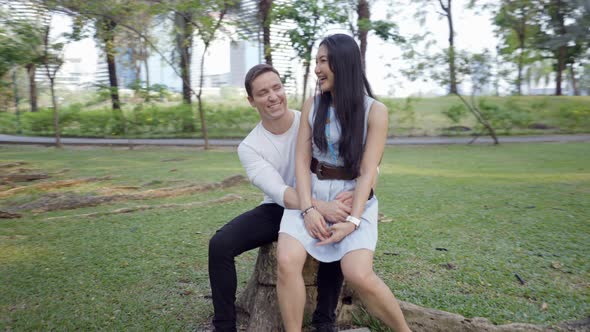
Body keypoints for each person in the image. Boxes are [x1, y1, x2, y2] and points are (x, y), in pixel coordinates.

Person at [276, 34, 412, 332]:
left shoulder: (376, 111)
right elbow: (301, 160)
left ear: (344, 63)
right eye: (316, 61)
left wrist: (353, 220)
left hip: (354, 199)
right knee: (286, 260)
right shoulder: (313, 104)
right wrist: (309, 208)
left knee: (358, 273)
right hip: (311, 192)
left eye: (323, 61)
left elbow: (367, 170)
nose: (317, 69)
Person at [208, 64, 355, 332]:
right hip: (279, 207)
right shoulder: (250, 147)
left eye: (277, 88)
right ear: (252, 101)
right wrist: (318, 207)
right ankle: (225, 326)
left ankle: (324, 321)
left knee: (333, 236)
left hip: (323, 197)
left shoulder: (309, 120)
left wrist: (332, 205)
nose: (273, 96)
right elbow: (279, 192)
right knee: (219, 244)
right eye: (263, 93)